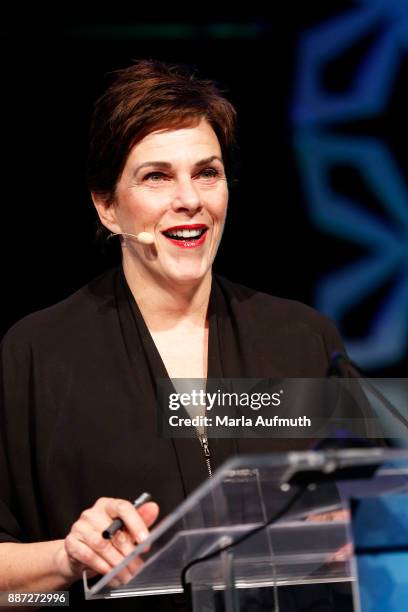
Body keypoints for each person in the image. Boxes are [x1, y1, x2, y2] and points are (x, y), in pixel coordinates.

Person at [0, 60, 358, 611]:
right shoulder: (35, 356)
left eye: (206, 172)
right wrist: (65, 561)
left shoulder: (301, 338)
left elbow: (380, 502)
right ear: (107, 207)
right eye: (156, 176)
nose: (189, 199)